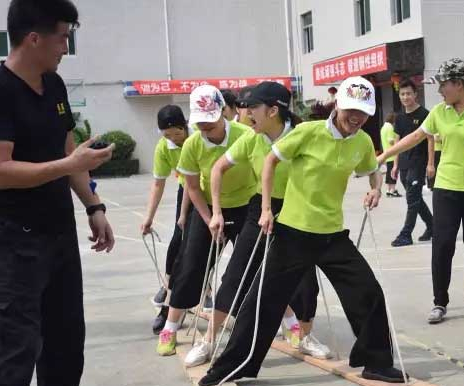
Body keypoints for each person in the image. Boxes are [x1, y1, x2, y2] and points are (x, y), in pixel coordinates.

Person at [199, 76, 408, 386]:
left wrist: (375, 188)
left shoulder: (363, 141)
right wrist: (266, 208)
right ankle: (233, 365)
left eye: (363, 113)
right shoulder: (308, 132)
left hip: (332, 235)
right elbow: (270, 161)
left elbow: (371, 170)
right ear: (338, 106)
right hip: (293, 233)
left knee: (368, 293)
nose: (356, 118)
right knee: (263, 302)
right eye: (351, 110)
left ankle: (376, 363)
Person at [0, 1, 116, 386]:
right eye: (63, 37)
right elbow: (2, 170)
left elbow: (68, 151)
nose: (66, 47)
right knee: (15, 349)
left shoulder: (54, 85)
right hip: (14, 240)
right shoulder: (2, 90)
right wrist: (67, 164)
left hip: (59, 234)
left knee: (65, 341)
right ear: (33, 38)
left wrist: (93, 205)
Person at [184, 81, 331, 367]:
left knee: (305, 281)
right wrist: (216, 212)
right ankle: (209, 340)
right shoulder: (252, 138)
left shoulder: (303, 135)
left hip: (298, 210)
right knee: (236, 273)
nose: (246, 114)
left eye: (252, 108)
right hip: (260, 209)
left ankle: (304, 336)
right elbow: (218, 168)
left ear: (273, 110)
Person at [379, 58, 464, 323]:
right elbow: (415, 137)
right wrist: (384, 156)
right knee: (442, 245)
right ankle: (440, 303)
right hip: (446, 188)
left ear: (458, 84)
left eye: (443, 85)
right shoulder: (440, 111)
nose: (440, 91)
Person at [155, 85, 256, 357]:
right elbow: (192, 187)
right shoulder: (192, 144)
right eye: (200, 123)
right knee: (190, 264)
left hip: (246, 204)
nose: (205, 129)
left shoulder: (246, 135)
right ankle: (170, 327)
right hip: (209, 206)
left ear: (223, 111)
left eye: (210, 122)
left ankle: (290, 322)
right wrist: (209, 218)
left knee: (255, 264)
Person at [141, 105, 193, 334]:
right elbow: (158, 183)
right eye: (167, 134)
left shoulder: (199, 136)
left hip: (218, 191)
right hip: (188, 191)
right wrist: (149, 217)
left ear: (185, 126)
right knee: (179, 243)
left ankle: (205, 290)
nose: (173, 138)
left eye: (177, 133)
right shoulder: (164, 147)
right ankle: (169, 295)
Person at [390, 79, 433, 247]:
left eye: (408, 93)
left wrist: (430, 164)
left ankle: (406, 234)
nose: (405, 97)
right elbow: (397, 143)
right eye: (402, 94)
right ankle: (433, 226)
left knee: (412, 199)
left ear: (415, 94)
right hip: (404, 163)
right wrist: (395, 165)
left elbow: (430, 140)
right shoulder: (399, 118)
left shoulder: (424, 114)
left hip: (419, 162)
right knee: (415, 198)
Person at [380, 112, 401, 197]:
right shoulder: (390, 128)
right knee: (393, 172)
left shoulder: (383, 127)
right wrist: (399, 142)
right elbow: (391, 141)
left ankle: (388, 190)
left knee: (389, 172)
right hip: (393, 154)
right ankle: (392, 190)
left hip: (387, 153)